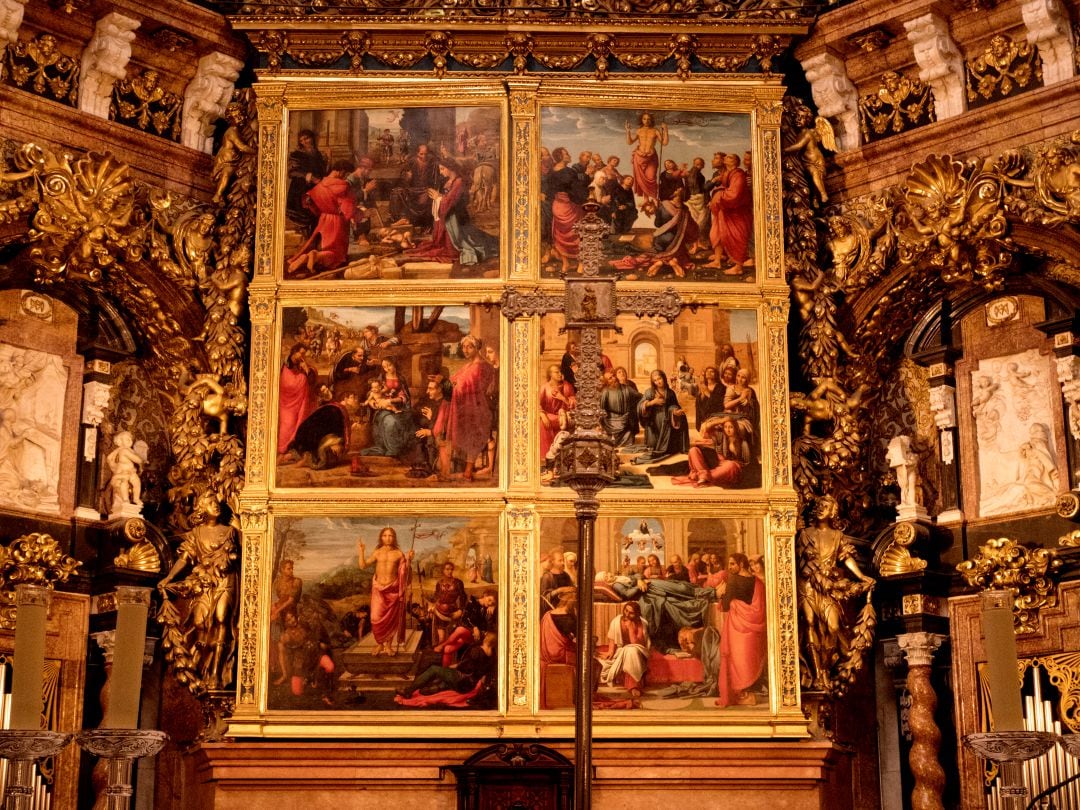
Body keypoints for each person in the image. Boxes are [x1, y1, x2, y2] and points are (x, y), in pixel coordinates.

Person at [157, 492, 239, 691]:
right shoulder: (196, 533)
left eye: (216, 502)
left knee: (221, 620)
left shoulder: (230, 531)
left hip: (225, 581)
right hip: (203, 583)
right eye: (210, 503)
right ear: (202, 509)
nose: (216, 505)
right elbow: (184, 558)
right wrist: (169, 578)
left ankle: (216, 673)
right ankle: (201, 662)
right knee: (200, 622)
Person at [405, 159, 497, 266]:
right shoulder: (450, 181)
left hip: (457, 218)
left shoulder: (459, 182)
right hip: (450, 214)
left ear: (451, 169)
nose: (441, 172)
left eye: (442, 169)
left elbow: (451, 202)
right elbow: (447, 199)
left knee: (467, 241)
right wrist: (439, 197)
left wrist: (438, 197)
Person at [439, 335, 496, 482]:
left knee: (472, 433)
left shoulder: (481, 366)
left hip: (477, 407)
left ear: (477, 348)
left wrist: (453, 385)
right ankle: (457, 469)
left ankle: (468, 471)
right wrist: (445, 382)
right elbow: (455, 380)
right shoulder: (468, 366)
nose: (465, 350)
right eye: (463, 347)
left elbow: (467, 386)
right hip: (466, 406)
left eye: (469, 347)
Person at [286, 159, 356, 277]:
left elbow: (309, 202)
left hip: (323, 220)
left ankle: (307, 256)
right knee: (336, 254)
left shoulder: (320, 185)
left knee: (324, 246)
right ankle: (316, 256)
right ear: (341, 171)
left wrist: (323, 210)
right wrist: (354, 216)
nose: (345, 177)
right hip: (338, 222)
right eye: (346, 174)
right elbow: (348, 209)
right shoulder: (343, 186)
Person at [715, 553, 767, 707]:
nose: (729, 567)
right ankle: (748, 693)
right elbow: (760, 606)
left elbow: (724, 606)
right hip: (753, 628)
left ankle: (743, 694)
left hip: (737, 627)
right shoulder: (757, 582)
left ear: (741, 564)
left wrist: (721, 593)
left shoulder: (733, 580)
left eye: (732, 564)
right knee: (748, 659)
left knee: (737, 660)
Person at [357, 527, 414, 656]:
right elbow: (362, 565)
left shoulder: (399, 553)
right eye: (385, 535)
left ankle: (388, 646)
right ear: (381, 537)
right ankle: (379, 645)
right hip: (378, 589)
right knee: (375, 617)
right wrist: (361, 550)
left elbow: (405, 575)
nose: (388, 538)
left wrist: (410, 560)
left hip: (393, 590)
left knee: (391, 621)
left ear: (394, 538)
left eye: (390, 536)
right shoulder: (377, 552)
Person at [706, 153, 753, 275]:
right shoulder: (727, 173)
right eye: (725, 157)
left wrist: (718, 196)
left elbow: (734, 194)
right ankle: (717, 261)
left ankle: (738, 267)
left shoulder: (738, 174)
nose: (725, 158)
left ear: (735, 162)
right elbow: (722, 185)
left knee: (737, 237)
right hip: (725, 210)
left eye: (729, 157)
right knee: (717, 233)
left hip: (737, 211)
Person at [359, 357, 415, 460]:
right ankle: (392, 450)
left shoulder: (401, 379)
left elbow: (405, 396)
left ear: (395, 365)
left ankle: (400, 449)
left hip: (399, 407)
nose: (387, 368)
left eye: (389, 365)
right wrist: (372, 403)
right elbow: (371, 394)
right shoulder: (381, 379)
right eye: (384, 366)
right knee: (391, 422)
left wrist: (390, 401)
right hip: (382, 409)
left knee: (408, 420)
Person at [674, 417, 750, 488]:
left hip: (730, 468)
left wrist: (732, 463)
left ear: (736, 428)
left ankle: (702, 477)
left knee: (731, 465)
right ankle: (703, 476)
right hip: (717, 464)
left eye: (731, 427)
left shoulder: (743, 443)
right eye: (726, 427)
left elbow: (746, 463)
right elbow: (706, 427)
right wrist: (721, 421)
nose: (728, 430)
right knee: (693, 450)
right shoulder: (722, 436)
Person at [635, 369, 688, 463]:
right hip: (653, 423)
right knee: (654, 446)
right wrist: (652, 402)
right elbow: (640, 405)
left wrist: (675, 411)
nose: (658, 382)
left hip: (667, 423)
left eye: (659, 378)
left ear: (663, 378)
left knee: (669, 447)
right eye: (655, 380)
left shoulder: (671, 393)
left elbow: (674, 406)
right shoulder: (649, 392)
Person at [599, 601, 650, 697]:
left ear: (637, 614)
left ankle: (634, 687)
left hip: (638, 651)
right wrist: (610, 651)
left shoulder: (641, 623)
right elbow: (612, 639)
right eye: (626, 610)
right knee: (626, 653)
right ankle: (632, 686)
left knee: (631, 651)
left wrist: (631, 628)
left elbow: (637, 643)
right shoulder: (616, 621)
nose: (627, 614)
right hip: (621, 650)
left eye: (631, 613)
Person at [278, 344, 318, 455]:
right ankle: (281, 448)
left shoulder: (301, 364)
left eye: (304, 353)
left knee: (297, 423)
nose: (302, 356)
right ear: (294, 351)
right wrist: (301, 377)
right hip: (286, 401)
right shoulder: (283, 363)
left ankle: (291, 449)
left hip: (298, 402)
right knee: (287, 424)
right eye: (301, 353)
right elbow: (286, 381)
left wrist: (307, 370)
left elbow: (311, 380)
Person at [286, 129, 327, 233]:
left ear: (312, 138)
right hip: (300, 187)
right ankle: (307, 240)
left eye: (306, 138)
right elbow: (291, 172)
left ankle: (314, 239)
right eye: (302, 140)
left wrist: (326, 161)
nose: (304, 142)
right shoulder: (296, 154)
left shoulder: (318, 154)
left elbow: (322, 171)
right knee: (304, 214)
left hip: (316, 187)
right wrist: (308, 176)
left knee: (316, 214)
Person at [391, 143, 440, 228]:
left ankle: (425, 225)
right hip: (412, 189)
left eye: (425, 154)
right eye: (421, 154)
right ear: (417, 153)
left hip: (425, 189)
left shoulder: (432, 162)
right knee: (398, 194)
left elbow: (435, 178)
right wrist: (407, 176)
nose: (424, 156)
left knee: (426, 200)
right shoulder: (412, 161)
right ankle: (404, 219)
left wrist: (431, 188)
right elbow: (403, 175)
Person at [625, 112, 668, 202]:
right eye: (644, 119)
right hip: (639, 156)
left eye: (648, 119)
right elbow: (629, 142)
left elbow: (664, 143)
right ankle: (646, 199)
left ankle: (653, 197)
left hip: (651, 157)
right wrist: (628, 131)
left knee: (651, 177)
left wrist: (666, 130)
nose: (646, 121)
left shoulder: (655, 131)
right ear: (642, 120)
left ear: (651, 120)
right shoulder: (639, 130)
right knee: (641, 178)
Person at [539, 365, 576, 461]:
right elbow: (537, 404)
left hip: (565, 417)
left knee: (566, 421)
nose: (560, 374)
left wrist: (562, 398)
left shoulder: (567, 386)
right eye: (556, 372)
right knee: (543, 424)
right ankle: (546, 458)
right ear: (550, 374)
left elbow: (573, 404)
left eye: (560, 372)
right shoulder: (544, 388)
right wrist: (542, 414)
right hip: (550, 416)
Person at [429, 561, 467, 646]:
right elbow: (436, 596)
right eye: (447, 569)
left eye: (451, 569)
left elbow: (463, 597)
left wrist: (460, 610)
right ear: (443, 570)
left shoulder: (458, 583)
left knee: (451, 637)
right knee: (441, 639)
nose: (450, 571)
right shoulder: (439, 583)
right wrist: (431, 604)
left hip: (452, 611)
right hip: (439, 612)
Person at [104, 430, 143, 513]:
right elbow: (137, 459)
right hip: (123, 472)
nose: (129, 440)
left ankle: (136, 498)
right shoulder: (124, 451)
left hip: (131, 472)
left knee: (137, 482)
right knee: (124, 483)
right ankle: (125, 499)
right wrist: (140, 460)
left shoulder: (129, 450)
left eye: (130, 439)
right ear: (120, 441)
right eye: (127, 439)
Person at [600, 369, 641, 447]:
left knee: (628, 443)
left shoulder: (626, 388)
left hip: (626, 424)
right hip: (610, 424)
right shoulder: (605, 392)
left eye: (614, 376)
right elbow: (601, 411)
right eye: (610, 378)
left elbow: (640, 397)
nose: (614, 378)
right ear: (606, 382)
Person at [540, 549, 574, 615]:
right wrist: (559, 590)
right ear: (552, 561)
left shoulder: (565, 575)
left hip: (567, 608)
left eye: (563, 560)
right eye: (560, 560)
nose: (563, 563)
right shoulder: (547, 577)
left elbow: (571, 588)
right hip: (553, 612)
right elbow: (543, 599)